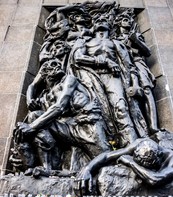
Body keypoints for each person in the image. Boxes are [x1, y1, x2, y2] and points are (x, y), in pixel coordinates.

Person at [13, 62, 111, 177]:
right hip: (70, 128)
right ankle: (47, 168)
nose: (57, 65)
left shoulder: (69, 79)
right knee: (34, 116)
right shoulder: (47, 97)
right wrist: (30, 100)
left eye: (58, 64)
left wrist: (31, 127)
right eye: (52, 65)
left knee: (105, 158)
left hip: (88, 126)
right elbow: (32, 86)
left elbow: (60, 106)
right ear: (45, 74)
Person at [69, 18, 140, 148]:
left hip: (114, 77)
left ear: (110, 26)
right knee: (98, 111)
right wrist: (104, 61)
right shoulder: (85, 41)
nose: (100, 20)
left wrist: (134, 84)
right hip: (91, 78)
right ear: (93, 26)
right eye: (98, 20)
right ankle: (104, 148)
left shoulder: (116, 43)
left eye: (104, 20)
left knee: (121, 107)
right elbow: (77, 57)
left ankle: (132, 145)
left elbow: (130, 66)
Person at [115, 11, 159, 134]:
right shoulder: (116, 39)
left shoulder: (136, 35)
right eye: (124, 20)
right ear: (119, 23)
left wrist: (135, 40)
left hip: (138, 63)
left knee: (147, 91)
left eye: (129, 19)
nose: (128, 21)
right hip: (124, 68)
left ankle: (153, 126)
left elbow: (147, 51)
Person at [76, 138, 173, 192]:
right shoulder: (141, 143)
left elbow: (154, 179)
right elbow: (108, 156)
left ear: (159, 156)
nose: (144, 168)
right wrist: (88, 168)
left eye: (147, 167)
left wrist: (131, 163)